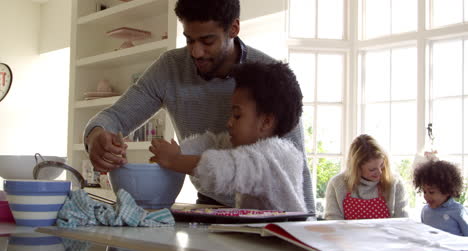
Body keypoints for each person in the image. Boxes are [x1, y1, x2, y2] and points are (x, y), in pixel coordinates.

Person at [83, 0, 315, 213]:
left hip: (276, 216)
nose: (195, 52)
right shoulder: (170, 68)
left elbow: (296, 168)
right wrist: (96, 136)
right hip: (210, 205)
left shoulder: (268, 75)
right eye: (189, 40)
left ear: (233, 29)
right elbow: (115, 117)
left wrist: (308, 230)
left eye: (207, 41)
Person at [149, 62, 306, 212]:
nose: (229, 122)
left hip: (286, 237)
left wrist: (174, 159)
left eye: (237, 115)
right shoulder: (249, 145)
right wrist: (177, 150)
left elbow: (221, 171)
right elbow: (213, 143)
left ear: (266, 122)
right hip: (263, 235)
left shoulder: (274, 156)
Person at [324, 134, 408, 220]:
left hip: (386, 233)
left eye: (382, 165)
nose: (379, 172)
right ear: (357, 168)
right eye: (372, 169)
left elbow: (402, 222)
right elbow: (333, 222)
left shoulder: (395, 183)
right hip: (348, 233)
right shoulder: (337, 184)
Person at [413, 160, 468, 236]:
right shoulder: (425, 211)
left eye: (431, 192)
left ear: (447, 191)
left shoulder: (458, 211)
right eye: (424, 192)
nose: (426, 196)